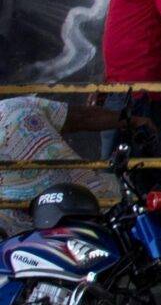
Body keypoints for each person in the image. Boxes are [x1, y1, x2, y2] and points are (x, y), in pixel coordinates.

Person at [0, 92, 119, 235]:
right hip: (97, 207)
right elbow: (83, 117)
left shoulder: (18, 107)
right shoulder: (17, 106)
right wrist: (132, 121)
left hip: (29, 237)